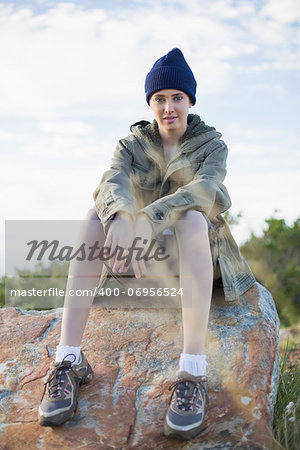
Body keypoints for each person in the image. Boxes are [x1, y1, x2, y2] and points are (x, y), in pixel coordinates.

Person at [38, 48, 256, 440]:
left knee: (190, 218)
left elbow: (208, 192)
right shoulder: (132, 144)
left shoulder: (211, 146)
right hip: (143, 262)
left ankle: (192, 370)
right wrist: (123, 216)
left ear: (190, 100)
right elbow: (111, 183)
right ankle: (67, 360)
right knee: (94, 217)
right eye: (159, 98)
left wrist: (147, 218)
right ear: (150, 102)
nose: (168, 107)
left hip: (197, 257)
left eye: (177, 97)